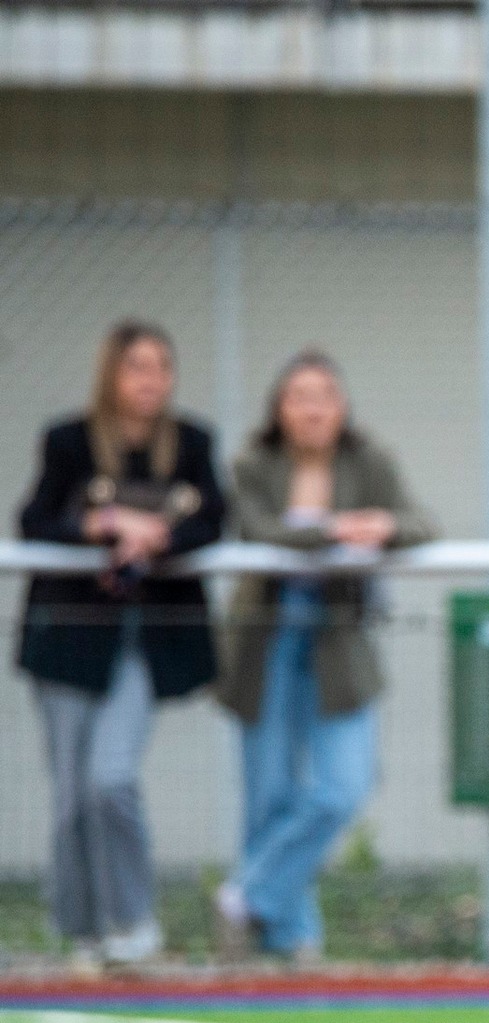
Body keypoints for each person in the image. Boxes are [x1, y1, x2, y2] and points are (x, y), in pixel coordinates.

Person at [213, 350, 437, 961]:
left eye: (324, 396)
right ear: (278, 408)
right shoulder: (253, 465)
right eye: (299, 397)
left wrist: (384, 528)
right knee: (270, 794)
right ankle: (291, 938)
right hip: (266, 635)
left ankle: (249, 897)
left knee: (345, 786)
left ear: (342, 407)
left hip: (338, 638)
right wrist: (334, 530)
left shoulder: (369, 462)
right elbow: (256, 529)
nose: (312, 409)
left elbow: (422, 523)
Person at [16, 320, 226, 965]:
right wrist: (104, 522)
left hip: (144, 639)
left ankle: (134, 922)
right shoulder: (69, 441)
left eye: (161, 366)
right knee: (73, 795)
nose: (150, 379)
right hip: (71, 637)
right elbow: (34, 519)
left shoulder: (190, 443)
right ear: (112, 372)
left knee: (111, 779)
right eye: (137, 366)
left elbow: (215, 518)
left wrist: (160, 537)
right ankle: (82, 931)